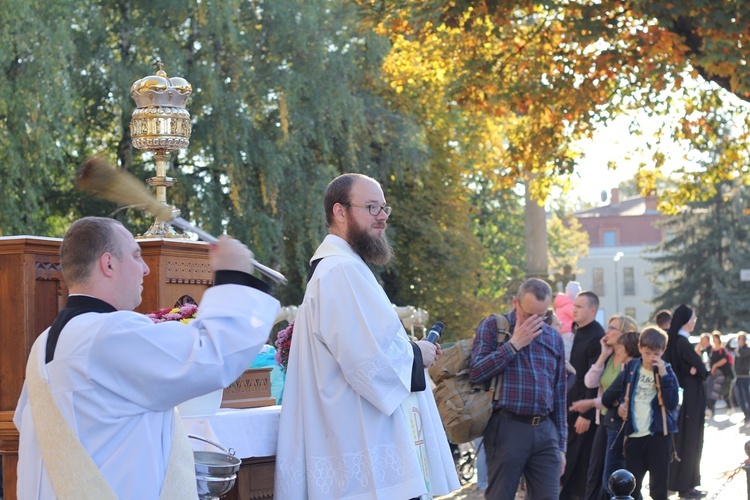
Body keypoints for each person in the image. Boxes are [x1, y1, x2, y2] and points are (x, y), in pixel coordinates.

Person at [13, 216, 280, 498]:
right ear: (109, 264)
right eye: (136, 256)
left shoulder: (45, 343)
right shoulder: (108, 334)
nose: (146, 269)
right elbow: (213, 355)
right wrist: (234, 275)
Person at [274, 173, 459, 499]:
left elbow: (365, 344)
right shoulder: (340, 271)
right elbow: (367, 362)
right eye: (372, 207)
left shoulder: (345, 267)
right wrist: (419, 354)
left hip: (360, 445)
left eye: (384, 207)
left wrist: (413, 350)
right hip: (364, 452)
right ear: (340, 212)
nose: (382, 216)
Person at [469, 278, 567, 499]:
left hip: (545, 431)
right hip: (506, 427)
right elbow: (475, 372)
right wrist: (513, 345)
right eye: (528, 314)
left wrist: (561, 446)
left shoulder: (553, 337)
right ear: (515, 302)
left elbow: (560, 394)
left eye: (541, 316)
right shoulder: (494, 327)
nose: (534, 321)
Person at [601, 327, 679, 500]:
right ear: (639, 348)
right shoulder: (631, 367)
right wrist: (620, 405)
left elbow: (672, 403)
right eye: (647, 353)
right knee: (632, 489)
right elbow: (609, 397)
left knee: (658, 490)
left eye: (656, 354)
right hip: (634, 435)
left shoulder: (667, 370)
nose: (651, 358)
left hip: (659, 435)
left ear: (663, 351)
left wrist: (664, 375)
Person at [570, 315, 638, 500]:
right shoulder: (609, 356)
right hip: (604, 419)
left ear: (624, 333)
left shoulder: (630, 361)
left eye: (612, 328)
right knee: (595, 471)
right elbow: (590, 381)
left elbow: (616, 396)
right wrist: (603, 354)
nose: (606, 331)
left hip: (619, 421)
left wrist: (591, 403)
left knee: (614, 474)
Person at [561, 291, 605, 500]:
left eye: (579, 306)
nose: (574, 309)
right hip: (573, 405)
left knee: (580, 461)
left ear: (592, 310)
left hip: (584, 411)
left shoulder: (597, 335)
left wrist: (585, 414)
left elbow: (596, 377)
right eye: (574, 305)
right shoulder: (580, 330)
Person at [663, 304, 708, 499]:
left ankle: (681, 482)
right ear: (686, 320)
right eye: (693, 318)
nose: (695, 321)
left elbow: (697, 369)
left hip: (687, 398)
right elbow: (702, 369)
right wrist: (697, 370)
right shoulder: (682, 342)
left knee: (683, 440)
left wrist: (696, 369)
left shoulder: (677, 342)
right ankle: (686, 485)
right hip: (691, 399)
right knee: (690, 441)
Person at [707, 332, 734, 414]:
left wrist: (715, 366)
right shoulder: (712, 350)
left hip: (722, 374)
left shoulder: (722, 350)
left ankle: (710, 409)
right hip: (715, 374)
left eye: (715, 338)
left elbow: (724, 360)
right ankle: (730, 407)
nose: (714, 340)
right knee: (723, 392)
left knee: (716, 389)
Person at [734, 333, 750, 422]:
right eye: (738, 339)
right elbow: (728, 347)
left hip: (746, 376)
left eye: (741, 339)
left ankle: (749, 415)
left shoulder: (747, 349)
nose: (739, 341)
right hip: (738, 376)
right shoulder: (737, 349)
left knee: (746, 397)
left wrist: (739, 349)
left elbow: (743, 354)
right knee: (739, 398)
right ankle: (746, 414)